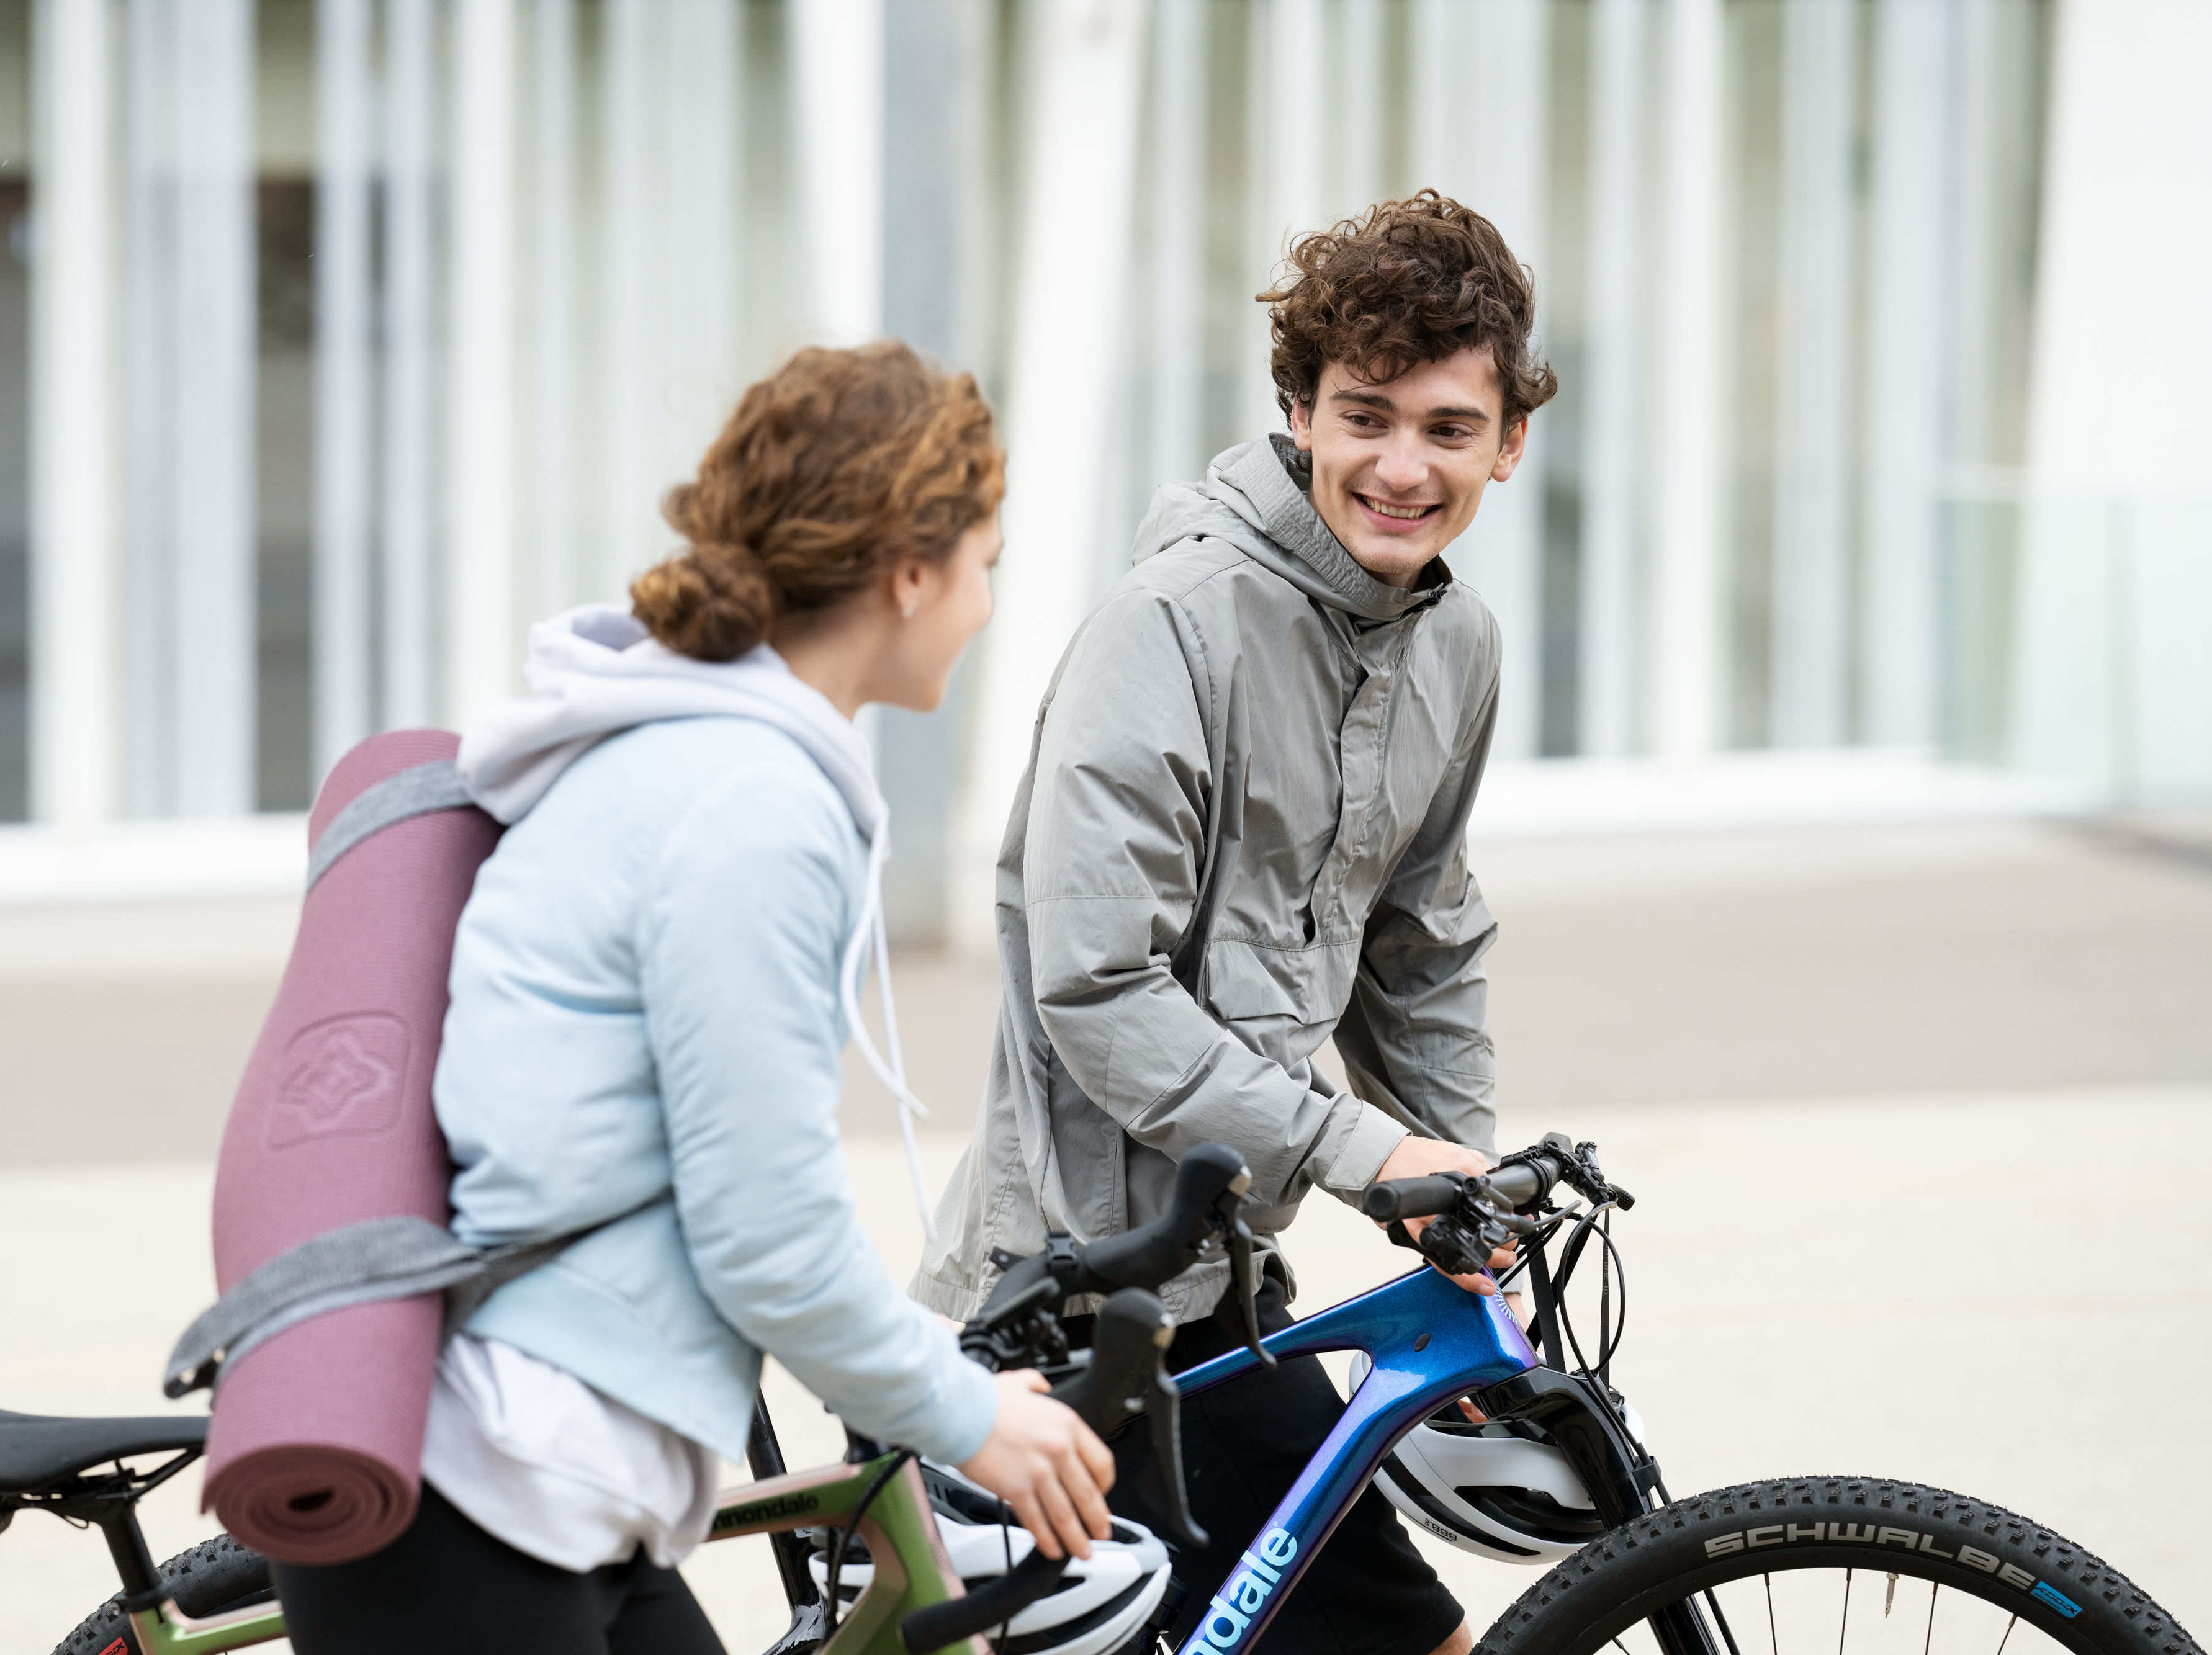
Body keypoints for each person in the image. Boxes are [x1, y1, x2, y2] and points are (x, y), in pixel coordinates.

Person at [271, 343, 1116, 1654]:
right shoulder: (748, 807)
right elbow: (767, 1238)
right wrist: (966, 1414)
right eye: (982, 562)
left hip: (550, 1489)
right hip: (489, 1490)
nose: (986, 602)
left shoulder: (691, 756)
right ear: (909, 571)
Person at [912, 192, 1556, 1655]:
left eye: (1448, 428)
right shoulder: (1172, 626)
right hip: (1071, 1297)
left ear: (1508, 442)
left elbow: (1418, 942)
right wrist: (1367, 1153)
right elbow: (1096, 988)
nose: (1401, 466)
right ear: (1297, 411)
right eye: (1364, 416)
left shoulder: (1454, 643)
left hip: (1224, 1283)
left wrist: (1460, 1186)